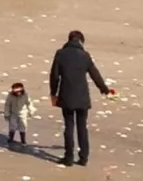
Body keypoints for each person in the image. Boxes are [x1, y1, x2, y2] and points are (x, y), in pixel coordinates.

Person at [48, 30, 115, 167]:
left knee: (69, 126)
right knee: (82, 127)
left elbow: (54, 76)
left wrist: (53, 93)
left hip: (66, 96)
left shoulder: (61, 54)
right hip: (82, 98)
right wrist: (105, 90)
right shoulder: (85, 55)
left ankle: (68, 158)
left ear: (69, 40)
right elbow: (95, 74)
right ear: (81, 41)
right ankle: (83, 158)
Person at [2, 80, 36, 147]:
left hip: (23, 113)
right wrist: (6, 114)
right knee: (12, 126)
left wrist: (31, 111)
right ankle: (11, 138)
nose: (18, 93)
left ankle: (23, 140)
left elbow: (29, 103)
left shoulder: (26, 95)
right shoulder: (10, 96)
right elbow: (7, 105)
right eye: (16, 92)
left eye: (19, 91)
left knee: (23, 126)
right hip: (13, 113)